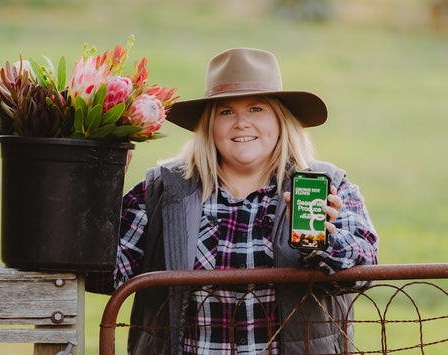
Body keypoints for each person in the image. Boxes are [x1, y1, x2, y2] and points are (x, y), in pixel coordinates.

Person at [87, 47, 379, 354]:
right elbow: (105, 277)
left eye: (256, 109)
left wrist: (321, 239)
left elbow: (363, 270)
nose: (241, 123)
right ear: (209, 125)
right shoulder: (163, 190)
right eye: (226, 112)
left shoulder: (326, 186)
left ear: (280, 121)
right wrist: (97, 187)